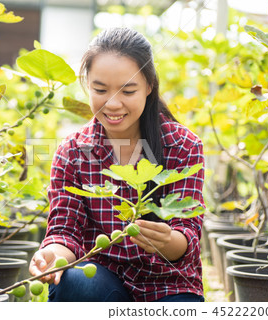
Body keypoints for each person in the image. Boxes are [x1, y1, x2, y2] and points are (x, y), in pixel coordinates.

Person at [29, 27, 205, 302]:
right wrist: (53, 254)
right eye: (100, 89)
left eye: (128, 90)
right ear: (87, 84)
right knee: (75, 281)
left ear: (149, 86)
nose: (113, 104)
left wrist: (167, 242)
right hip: (102, 280)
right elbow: (65, 230)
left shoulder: (183, 145)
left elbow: (189, 233)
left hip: (168, 285)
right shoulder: (72, 151)